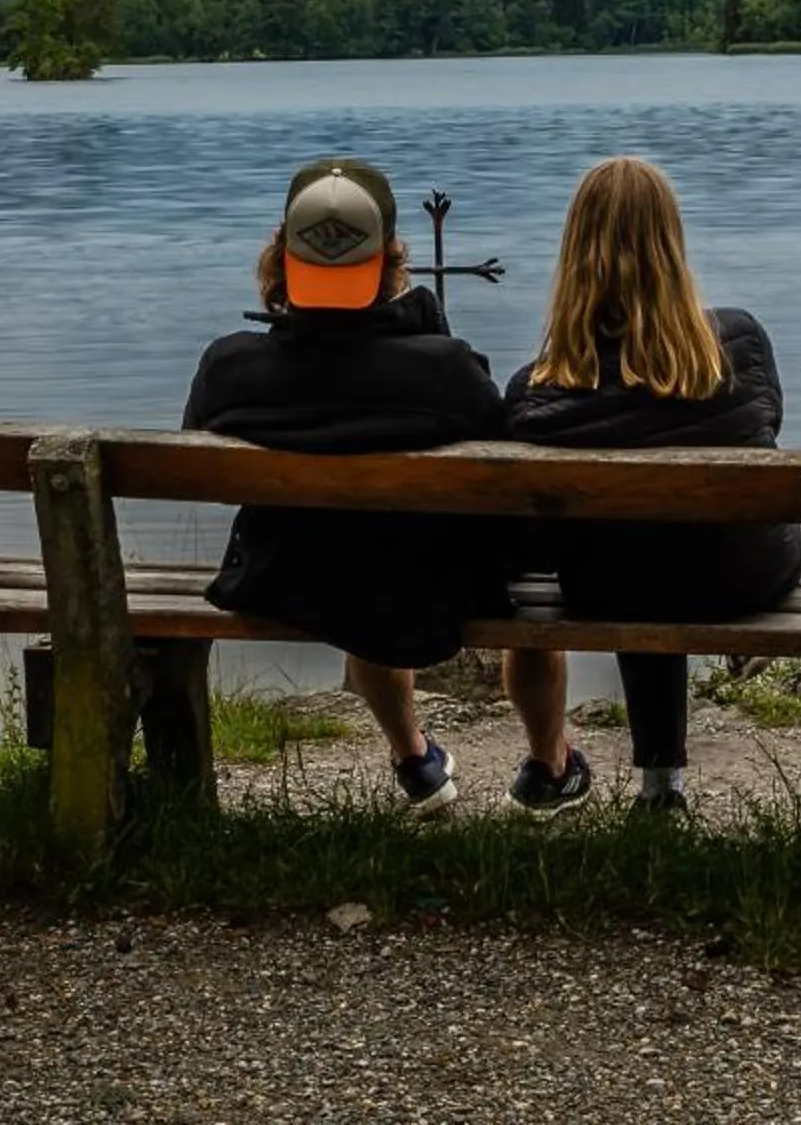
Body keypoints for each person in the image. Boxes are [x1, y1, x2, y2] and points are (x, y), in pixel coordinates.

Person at [191, 156, 592, 816]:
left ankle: (414, 759)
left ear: (280, 258)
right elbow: (506, 481)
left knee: (351, 558)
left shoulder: (228, 367)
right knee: (400, 560)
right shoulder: (446, 372)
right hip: (425, 589)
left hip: (284, 581)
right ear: (389, 263)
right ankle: (549, 763)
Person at [505, 155, 801, 814]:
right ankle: (660, 783)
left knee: (636, 552)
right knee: (663, 540)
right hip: (746, 574)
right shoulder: (740, 341)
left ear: (573, 253)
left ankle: (661, 786)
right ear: (673, 243)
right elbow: (768, 427)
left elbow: (532, 541)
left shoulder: (536, 390)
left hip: (613, 590)